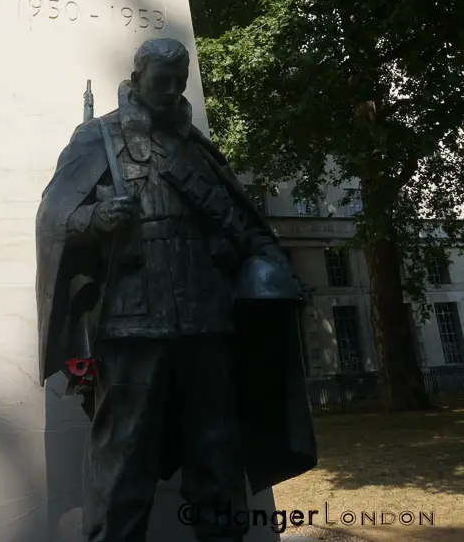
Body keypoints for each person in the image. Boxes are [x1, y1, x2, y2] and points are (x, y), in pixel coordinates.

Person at [36, 38, 315, 542]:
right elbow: (54, 216)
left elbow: (242, 227)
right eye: (158, 81)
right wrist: (96, 217)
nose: (168, 91)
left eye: (176, 82)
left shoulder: (198, 152)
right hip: (133, 323)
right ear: (137, 77)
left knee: (218, 459)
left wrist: (276, 269)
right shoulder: (97, 138)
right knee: (122, 464)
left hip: (208, 322)